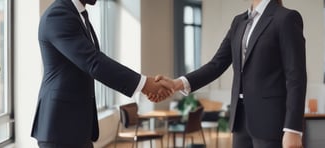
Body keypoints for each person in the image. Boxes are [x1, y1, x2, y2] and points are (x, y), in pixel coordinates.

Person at [155, 0, 306, 147]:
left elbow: (296, 77)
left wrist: (293, 128)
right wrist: (176, 84)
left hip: (271, 122)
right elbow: (216, 65)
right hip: (240, 121)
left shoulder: (286, 18)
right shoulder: (239, 22)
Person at [31, 0, 173, 147]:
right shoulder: (58, 15)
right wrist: (144, 84)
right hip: (59, 126)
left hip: (76, 127)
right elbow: (94, 62)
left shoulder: (78, 15)